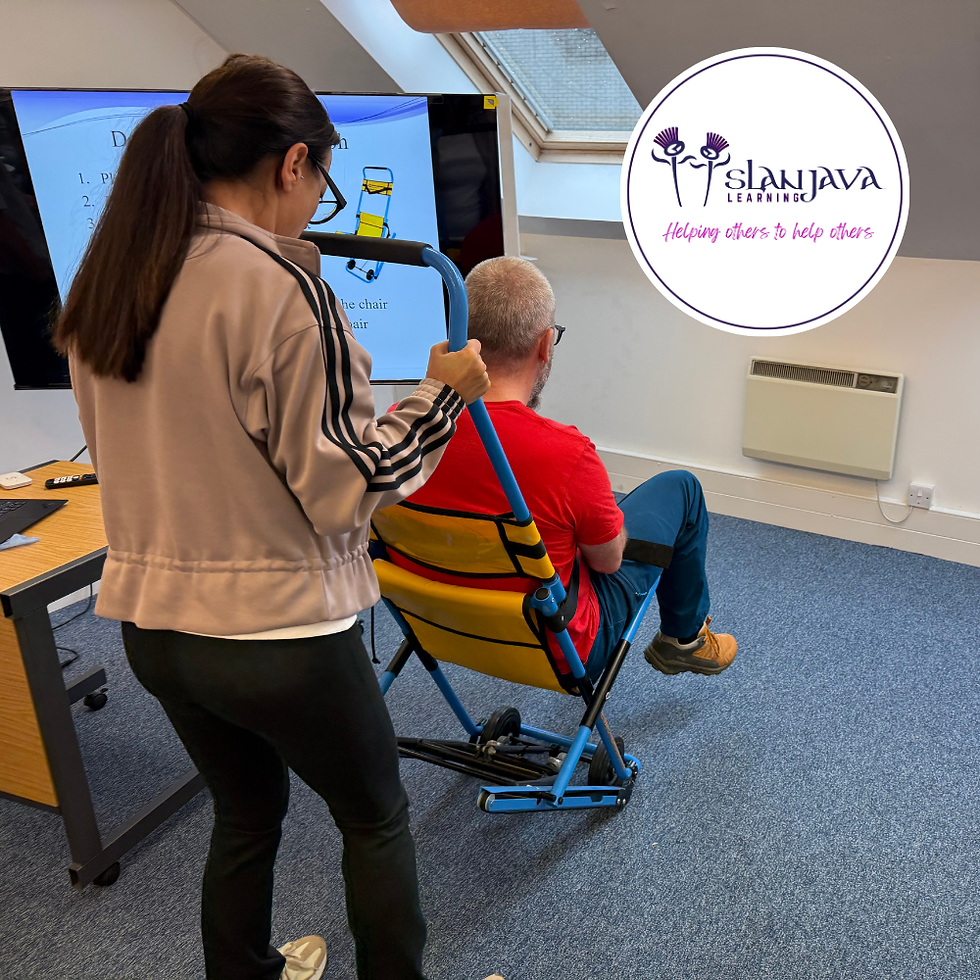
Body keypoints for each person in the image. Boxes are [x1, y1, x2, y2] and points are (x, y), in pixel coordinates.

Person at [54, 54, 493, 980]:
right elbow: (349, 488)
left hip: (152, 625)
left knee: (245, 814)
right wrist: (444, 398)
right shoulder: (283, 289)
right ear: (294, 164)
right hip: (277, 634)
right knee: (375, 816)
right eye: (325, 183)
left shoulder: (110, 275)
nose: (318, 205)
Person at [395, 256, 737, 683]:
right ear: (544, 344)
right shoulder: (566, 454)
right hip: (557, 647)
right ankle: (684, 640)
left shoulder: (401, 429)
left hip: (433, 625)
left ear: (461, 337)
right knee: (679, 489)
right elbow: (609, 562)